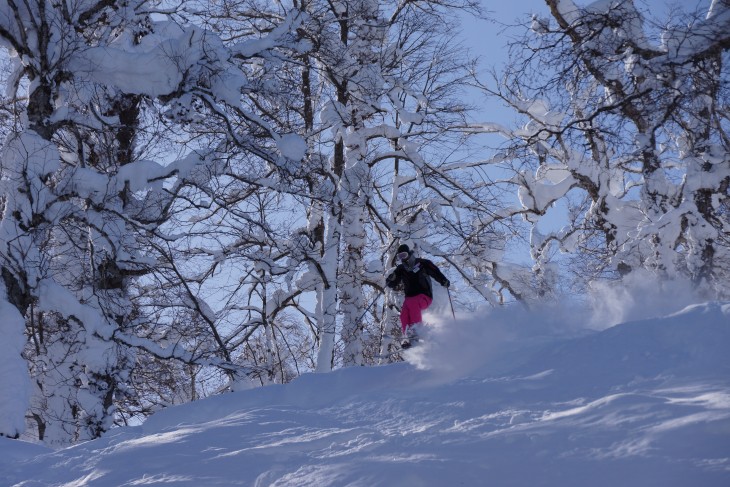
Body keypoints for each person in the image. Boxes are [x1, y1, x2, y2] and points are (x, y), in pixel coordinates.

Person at [385, 244, 450, 348]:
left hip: (424, 296)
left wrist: (443, 280)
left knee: (413, 303)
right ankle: (407, 337)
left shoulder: (422, 263)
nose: (403, 258)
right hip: (409, 298)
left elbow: (435, 272)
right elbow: (392, 283)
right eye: (400, 256)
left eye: (404, 255)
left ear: (409, 253)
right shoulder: (401, 269)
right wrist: (390, 279)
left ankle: (415, 332)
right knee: (404, 313)